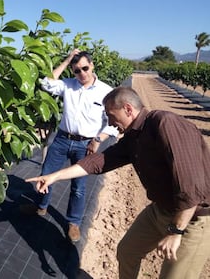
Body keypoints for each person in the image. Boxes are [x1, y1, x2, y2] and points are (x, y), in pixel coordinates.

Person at [25, 86, 210, 279]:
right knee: (127, 251)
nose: (110, 124)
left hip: (193, 219)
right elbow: (99, 162)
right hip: (161, 210)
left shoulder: (165, 124)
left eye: (111, 116)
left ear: (128, 109)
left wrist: (176, 231)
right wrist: (54, 176)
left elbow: (192, 187)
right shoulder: (134, 137)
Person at [21, 49, 118, 243]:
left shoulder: (106, 91)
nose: (81, 73)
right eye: (76, 70)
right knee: (46, 174)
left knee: (79, 187)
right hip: (62, 139)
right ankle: (41, 206)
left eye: (84, 68)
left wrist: (98, 139)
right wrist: (66, 60)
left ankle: (73, 222)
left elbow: (113, 123)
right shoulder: (68, 85)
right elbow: (46, 82)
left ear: (92, 66)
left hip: (86, 144)